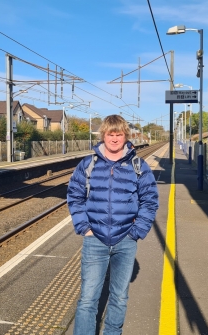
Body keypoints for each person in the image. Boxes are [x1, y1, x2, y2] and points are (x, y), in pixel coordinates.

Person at [67, 114, 159, 335]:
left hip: (126, 240)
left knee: (119, 297)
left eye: (119, 134)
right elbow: (74, 196)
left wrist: (137, 232)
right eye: (111, 134)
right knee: (88, 298)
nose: (115, 138)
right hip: (95, 240)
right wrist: (85, 228)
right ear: (103, 135)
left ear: (125, 136)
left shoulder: (138, 166)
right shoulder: (88, 165)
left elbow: (150, 200)